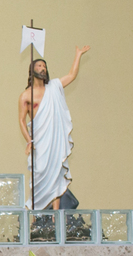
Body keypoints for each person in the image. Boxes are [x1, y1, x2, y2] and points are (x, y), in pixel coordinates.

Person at [19, 45, 90, 210]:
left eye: (44, 66)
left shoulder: (54, 87)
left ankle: (55, 217)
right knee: (39, 174)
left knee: (56, 174)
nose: (42, 69)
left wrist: (78, 55)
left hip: (54, 139)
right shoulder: (25, 95)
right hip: (40, 140)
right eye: (39, 66)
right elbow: (22, 120)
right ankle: (36, 218)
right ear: (32, 70)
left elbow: (72, 75)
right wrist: (29, 141)